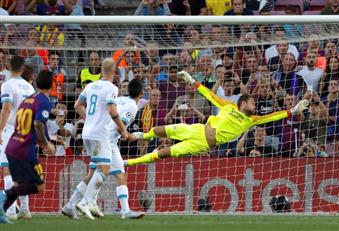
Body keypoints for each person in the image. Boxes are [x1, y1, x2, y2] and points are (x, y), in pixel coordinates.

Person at [124, 71, 310, 166]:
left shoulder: (251, 120)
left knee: (163, 154)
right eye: (252, 103)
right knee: (157, 131)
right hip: (197, 129)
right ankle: (138, 136)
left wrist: (293, 110)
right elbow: (209, 95)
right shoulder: (227, 106)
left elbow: (272, 116)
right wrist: (190, 80)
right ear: (243, 103)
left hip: (201, 144)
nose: (255, 106)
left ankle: (129, 163)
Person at [62, 79, 145, 220]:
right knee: (117, 174)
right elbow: (120, 126)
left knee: (96, 174)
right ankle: (87, 202)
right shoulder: (133, 106)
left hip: (97, 135)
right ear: (142, 93)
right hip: (107, 141)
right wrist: (128, 135)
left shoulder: (119, 99)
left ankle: (70, 206)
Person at [73, 58, 128, 220]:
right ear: (114, 71)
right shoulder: (111, 88)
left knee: (99, 168)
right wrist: (123, 129)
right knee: (104, 169)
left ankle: (85, 203)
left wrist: (89, 119)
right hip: (99, 133)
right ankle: (85, 202)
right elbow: (112, 109)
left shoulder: (90, 86)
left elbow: (77, 105)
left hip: (87, 132)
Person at [0, 71, 56, 224]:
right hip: (25, 150)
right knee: (39, 186)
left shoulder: (28, 100)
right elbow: (38, 123)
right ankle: (3, 195)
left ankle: (3, 210)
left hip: (12, 145)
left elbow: (31, 122)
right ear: (52, 85)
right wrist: (46, 143)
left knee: (19, 183)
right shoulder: (44, 101)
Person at [0, 56, 35, 221]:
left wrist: (0, 131)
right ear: (22, 69)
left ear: (8, 66)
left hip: (11, 131)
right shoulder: (30, 87)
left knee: (7, 169)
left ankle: (11, 210)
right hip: (26, 133)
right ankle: (25, 210)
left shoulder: (7, 85)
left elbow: (6, 108)